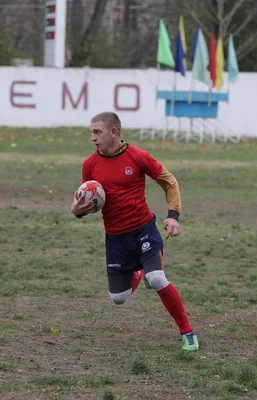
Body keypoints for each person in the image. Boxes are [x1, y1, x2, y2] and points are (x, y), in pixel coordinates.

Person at [70, 111, 198, 351]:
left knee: (157, 278)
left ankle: (187, 331)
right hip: (116, 237)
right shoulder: (90, 164)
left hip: (143, 229)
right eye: (91, 133)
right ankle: (138, 272)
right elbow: (87, 203)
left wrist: (173, 216)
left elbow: (169, 182)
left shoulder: (137, 156)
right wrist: (76, 210)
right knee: (119, 299)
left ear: (113, 132)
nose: (92, 138)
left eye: (97, 132)